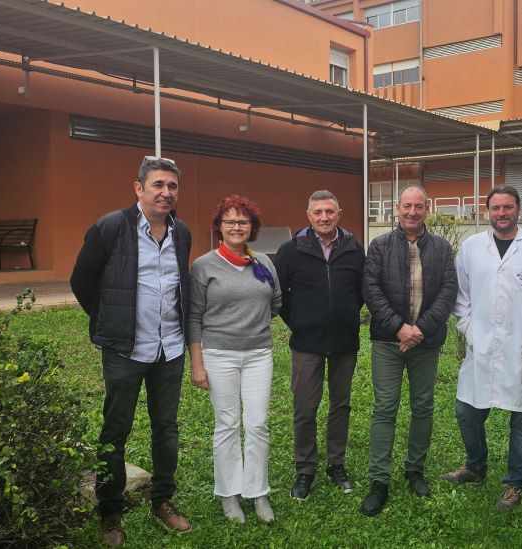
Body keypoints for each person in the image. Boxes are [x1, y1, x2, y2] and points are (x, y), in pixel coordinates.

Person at [70, 155, 192, 547]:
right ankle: (110, 511)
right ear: (138, 188)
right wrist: (112, 322)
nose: (166, 192)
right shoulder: (110, 227)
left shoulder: (182, 232)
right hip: (125, 350)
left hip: (169, 347)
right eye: (158, 184)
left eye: (172, 186)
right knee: (115, 430)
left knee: (166, 429)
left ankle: (163, 500)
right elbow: (82, 280)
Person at [442, 185, 522, 511]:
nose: (502, 213)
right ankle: (475, 466)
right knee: (466, 412)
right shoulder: (472, 247)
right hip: (481, 343)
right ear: (487, 211)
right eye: (496, 207)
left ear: (518, 209)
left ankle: (514, 485)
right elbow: (460, 293)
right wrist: (467, 326)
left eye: (508, 207)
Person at [360, 185, 457, 516]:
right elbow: (371, 290)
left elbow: (448, 292)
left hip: (425, 343)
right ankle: (379, 481)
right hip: (388, 342)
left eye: (418, 206)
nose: (412, 212)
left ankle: (415, 470)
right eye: (406, 206)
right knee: (385, 408)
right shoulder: (380, 246)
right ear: (397, 209)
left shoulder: (442, 248)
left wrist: (419, 330)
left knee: (423, 407)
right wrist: (400, 327)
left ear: (426, 210)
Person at [188, 195, 282, 524]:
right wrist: (197, 363)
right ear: (219, 227)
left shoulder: (264, 264)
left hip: (259, 354)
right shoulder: (203, 266)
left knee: (258, 424)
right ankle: (229, 495)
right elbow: (194, 317)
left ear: (252, 228)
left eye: (243, 221)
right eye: (229, 221)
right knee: (227, 425)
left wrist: (250, 326)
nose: (236, 226)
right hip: (218, 355)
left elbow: (276, 303)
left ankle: (258, 493)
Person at [273, 190, 365, 500]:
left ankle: (336, 464)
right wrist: (299, 321)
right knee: (305, 407)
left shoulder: (354, 249)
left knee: (341, 405)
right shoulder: (290, 250)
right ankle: (305, 468)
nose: (324, 217)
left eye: (329, 211)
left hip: (344, 342)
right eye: (317, 212)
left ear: (339, 213)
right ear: (308, 215)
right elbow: (279, 295)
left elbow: (361, 291)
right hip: (306, 343)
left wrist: (346, 316)